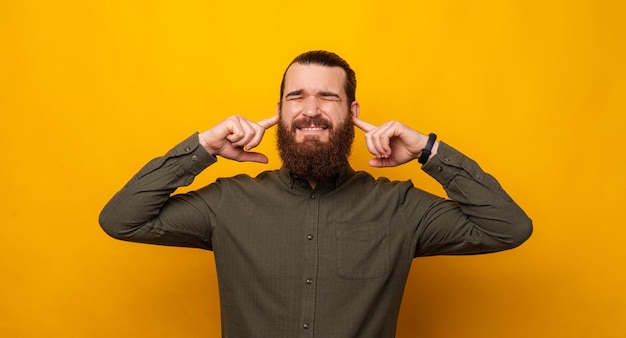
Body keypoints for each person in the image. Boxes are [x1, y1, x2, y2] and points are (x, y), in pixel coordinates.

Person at [99, 50, 532, 338]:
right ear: (280, 111)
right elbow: (122, 219)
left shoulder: (400, 206)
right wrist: (204, 148)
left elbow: (508, 228)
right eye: (296, 97)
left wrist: (428, 150)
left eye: (328, 97)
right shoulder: (226, 203)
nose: (311, 110)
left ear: (352, 112)